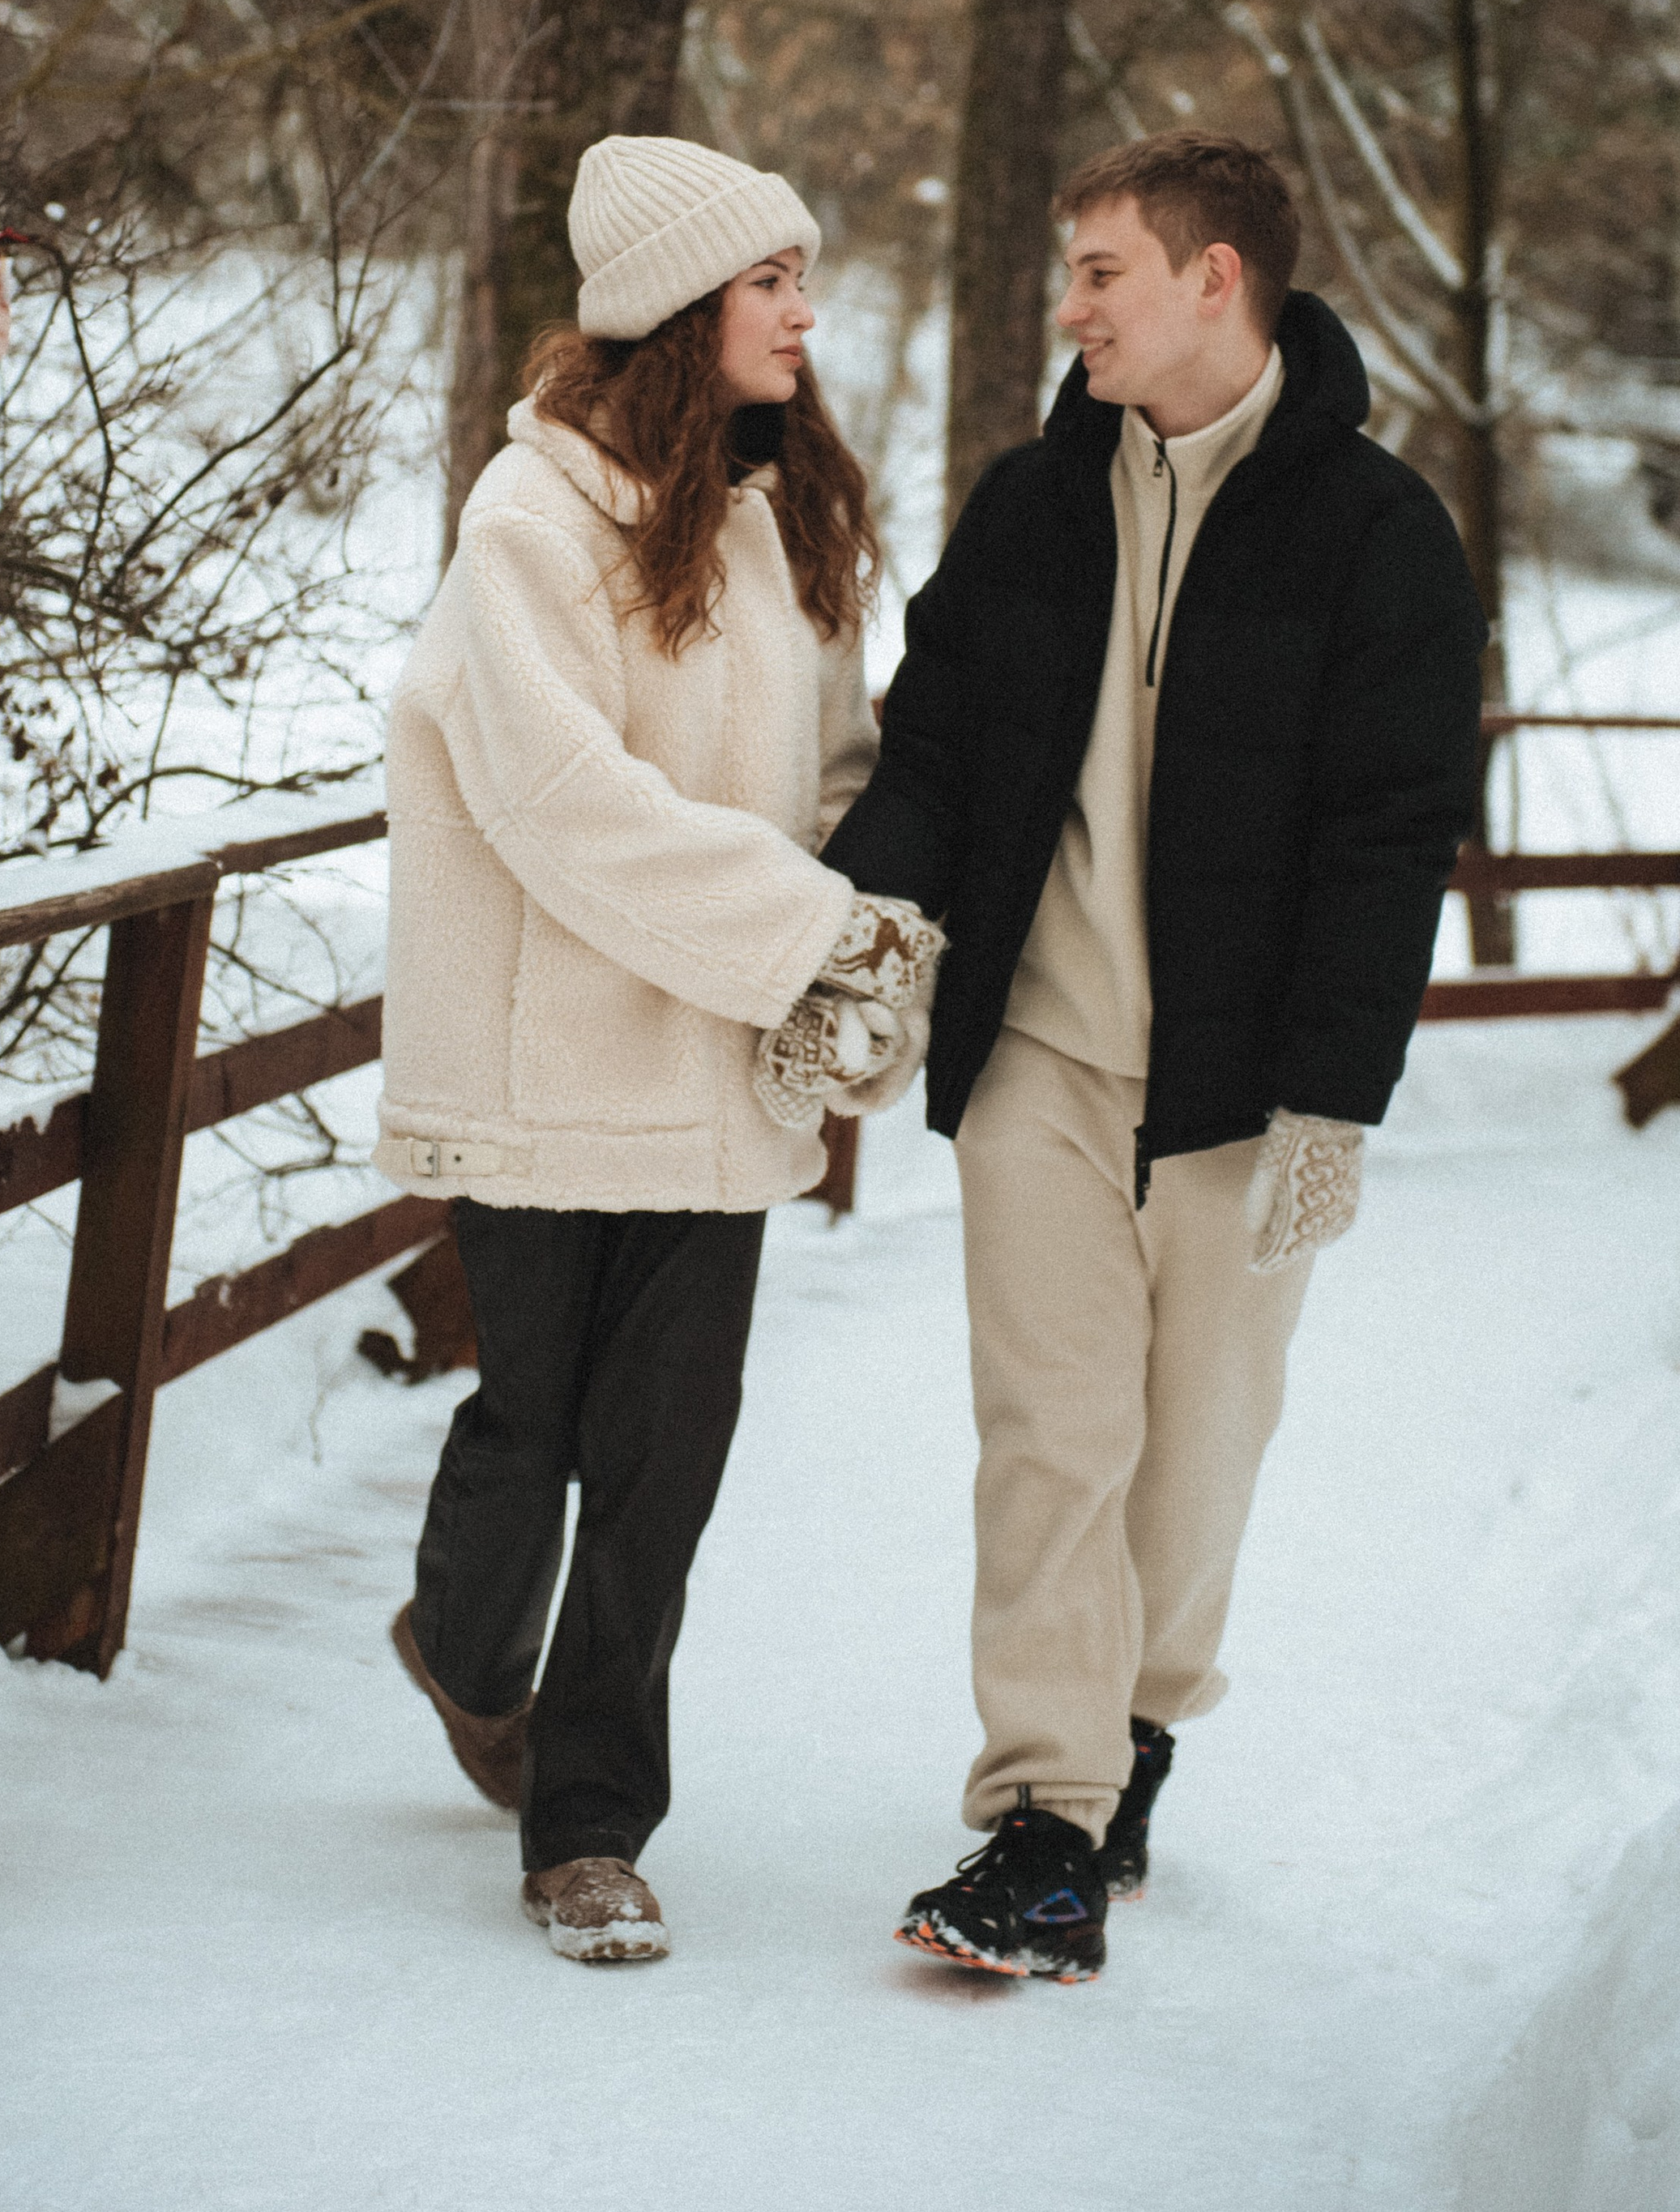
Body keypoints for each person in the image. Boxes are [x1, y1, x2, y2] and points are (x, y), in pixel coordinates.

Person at [824, 131, 1485, 1983]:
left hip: (1235, 1082)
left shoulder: (1376, 535)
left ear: (1216, 280)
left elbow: (1391, 823)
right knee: (1051, 1439)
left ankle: (1138, 1729)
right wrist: (870, 935)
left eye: (1104, 269)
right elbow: (931, 747)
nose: (1072, 307)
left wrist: (1332, 1095)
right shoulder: (1034, 502)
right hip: (1038, 1053)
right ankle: (1043, 1813)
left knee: (1194, 1457)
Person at [376, 130, 941, 1966]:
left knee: (662, 1459)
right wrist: (801, 936)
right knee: (529, 1425)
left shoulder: (780, 522)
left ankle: (591, 1826)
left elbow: (829, 770)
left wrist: (875, 915)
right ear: (677, 309)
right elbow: (557, 801)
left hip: (709, 1079)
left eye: (799, 274)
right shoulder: (524, 526)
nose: (803, 308)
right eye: (770, 278)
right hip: (549, 1075)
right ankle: (459, 1649)